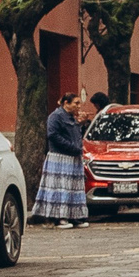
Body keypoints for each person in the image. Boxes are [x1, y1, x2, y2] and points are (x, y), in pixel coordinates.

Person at [34, 93, 89, 227]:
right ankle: (59, 217)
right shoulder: (56, 116)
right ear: (66, 103)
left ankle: (74, 215)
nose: (79, 106)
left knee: (73, 188)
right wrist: (71, 147)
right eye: (76, 103)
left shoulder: (71, 118)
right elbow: (52, 135)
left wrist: (80, 124)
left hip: (73, 158)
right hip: (60, 157)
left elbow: (74, 133)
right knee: (61, 188)